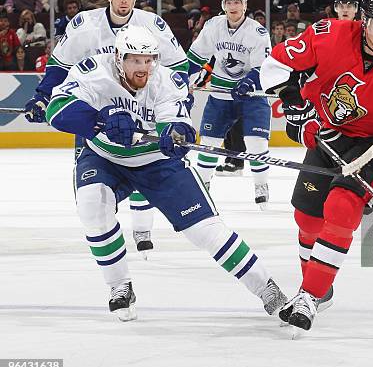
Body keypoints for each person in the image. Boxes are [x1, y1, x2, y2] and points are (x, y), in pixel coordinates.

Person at [45, 25, 287, 321]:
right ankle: (120, 285)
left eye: (149, 60)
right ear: (119, 57)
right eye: (135, 60)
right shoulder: (94, 70)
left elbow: (178, 126)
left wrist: (173, 136)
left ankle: (267, 288)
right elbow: (56, 109)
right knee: (92, 207)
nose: (144, 68)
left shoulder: (165, 79)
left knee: (205, 230)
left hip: (156, 162)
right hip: (105, 158)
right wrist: (99, 119)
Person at [259, 0, 373, 332]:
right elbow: (277, 62)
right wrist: (291, 96)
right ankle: (320, 288)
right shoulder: (330, 34)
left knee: (341, 208)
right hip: (329, 135)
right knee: (307, 216)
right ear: (364, 21)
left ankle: (310, 295)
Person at [24, 0, 189, 257]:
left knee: (142, 163)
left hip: (142, 107)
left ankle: (142, 229)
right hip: (95, 114)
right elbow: (60, 66)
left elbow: (179, 68)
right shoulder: (85, 24)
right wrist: (41, 97)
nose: (123, 0)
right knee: (89, 183)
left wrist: (175, 105)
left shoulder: (152, 25)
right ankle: (103, 228)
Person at [187, 0, 272, 208]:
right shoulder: (213, 26)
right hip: (220, 93)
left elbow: (262, 68)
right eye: (229, 3)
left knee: (256, 143)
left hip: (251, 95)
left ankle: (261, 184)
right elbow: (196, 57)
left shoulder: (257, 32)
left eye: (238, 2)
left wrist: (248, 83)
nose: (233, 7)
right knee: (209, 143)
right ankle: (203, 185)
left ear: (245, 5)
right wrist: (183, 78)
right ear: (223, 5)